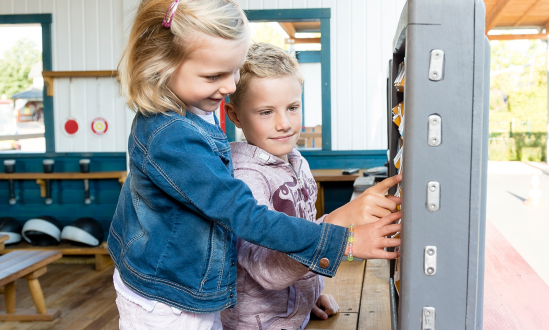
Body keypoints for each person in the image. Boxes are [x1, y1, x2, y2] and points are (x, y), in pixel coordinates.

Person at [108, 1, 402, 329]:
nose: (231, 86)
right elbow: (246, 217)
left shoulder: (189, 107)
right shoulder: (172, 137)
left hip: (182, 286)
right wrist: (341, 241)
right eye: (213, 75)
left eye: (234, 70)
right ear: (160, 66)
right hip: (168, 301)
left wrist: (305, 289)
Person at [220, 42, 342, 329]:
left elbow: (302, 233)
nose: (284, 123)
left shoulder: (297, 162)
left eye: (293, 107)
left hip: (292, 314)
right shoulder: (244, 177)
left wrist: (309, 296)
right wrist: (343, 225)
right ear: (235, 115)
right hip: (260, 323)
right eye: (266, 112)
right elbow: (266, 269)